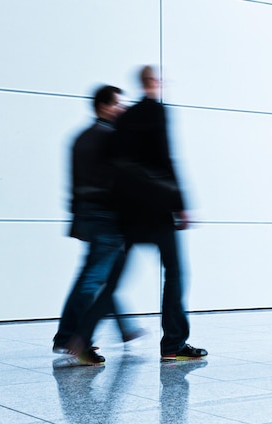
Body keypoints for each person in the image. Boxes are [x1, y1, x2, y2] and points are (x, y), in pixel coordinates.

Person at [71, 66, 207, 362]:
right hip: (158, 209)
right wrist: (180, 203)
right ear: (153, 82)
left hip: (130, 214)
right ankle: (173, 343)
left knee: (115, 280)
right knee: (175, 274)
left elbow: (115, 165)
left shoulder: (125, 118)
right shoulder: (156, 112)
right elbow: (166, 157)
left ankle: (83, 336)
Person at [53, 85, 144, 365]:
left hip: (89, 216)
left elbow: (75, 184)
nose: (121, 108)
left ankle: (118, 329)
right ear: (104, 106)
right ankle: (72, 337)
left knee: (100, 276)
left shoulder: (80, 138)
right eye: (117, 103)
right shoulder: (109, 138)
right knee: (94, 279)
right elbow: (119, 182)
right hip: (107, 218)